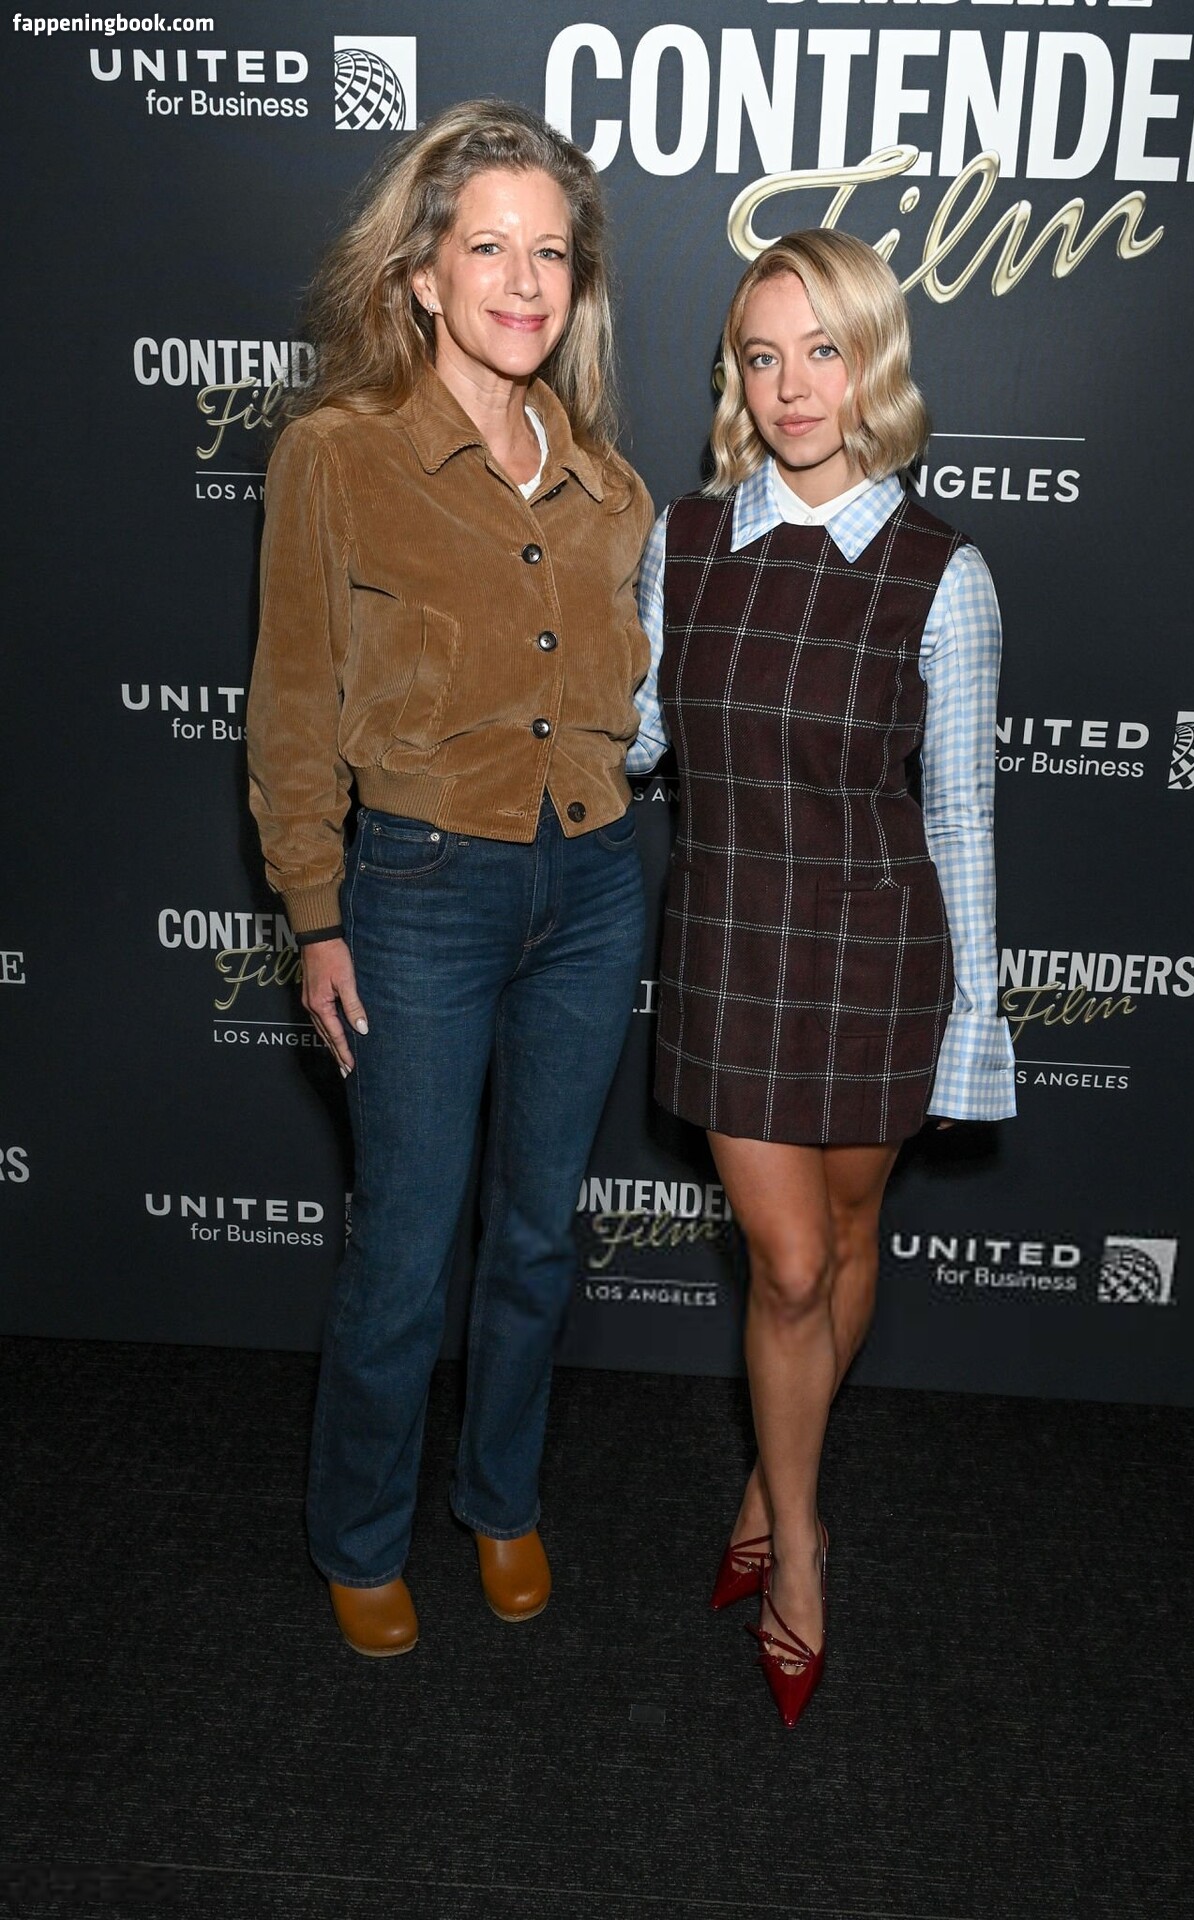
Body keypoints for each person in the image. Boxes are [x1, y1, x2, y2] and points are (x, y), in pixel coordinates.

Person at [246, 101, 652, 1656]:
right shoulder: (337, 456)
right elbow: (294, 710)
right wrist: (315, 913)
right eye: (489, 248)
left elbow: (626, 708)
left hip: (593, 890)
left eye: (551, 253)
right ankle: (359, 1533)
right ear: (421, 275)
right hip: (417, 897)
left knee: (538, 1237)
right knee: (407, 1252)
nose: (524, 281)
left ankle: (501, 1496)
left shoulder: (609, 486)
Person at [629, 231, 1016, 1725]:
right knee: (790, 1266)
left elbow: (961, 812)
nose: (792, 387)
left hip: (878, 952)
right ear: (734, 377)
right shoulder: (683, 542)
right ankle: (802, 1541)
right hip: (731, 946)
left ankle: (762, 1477)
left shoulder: (943, 575)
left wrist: (975, 1018)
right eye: (761, 356)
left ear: (873, 365)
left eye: (822, 352)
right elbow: (638, 738)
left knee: (851, 1241)